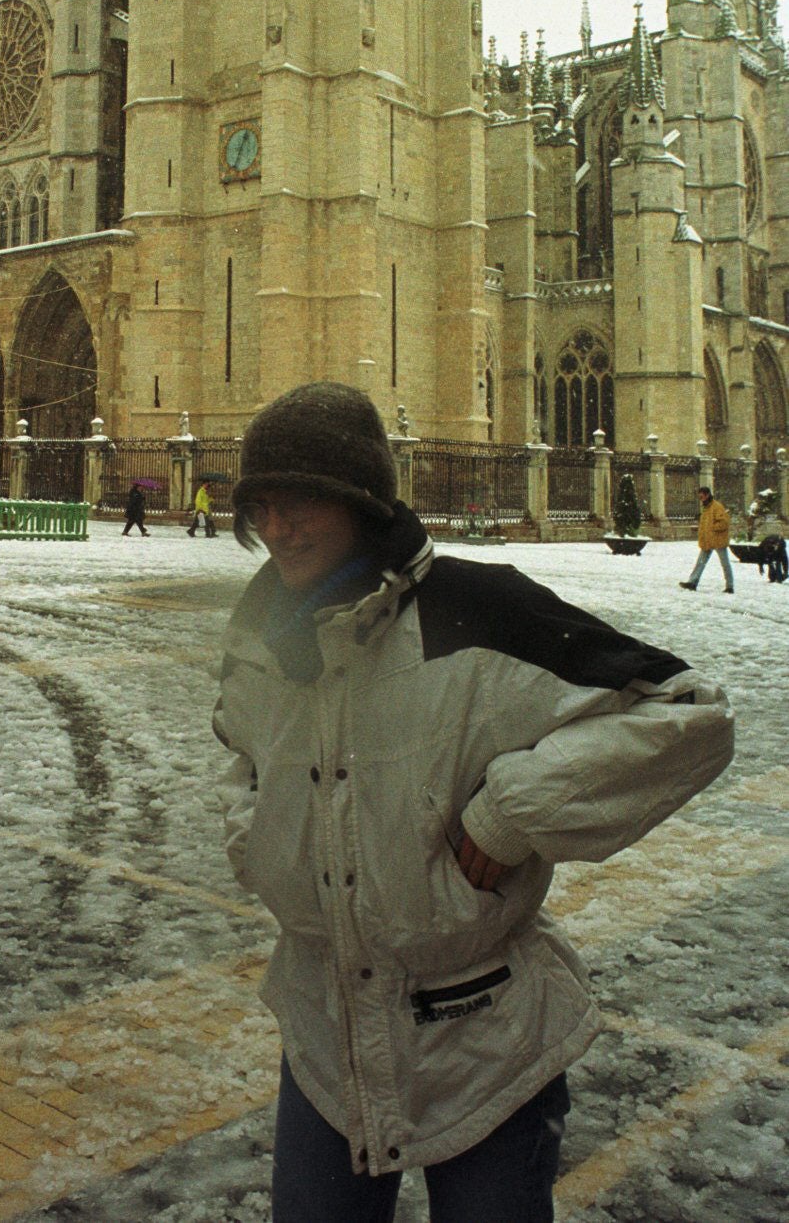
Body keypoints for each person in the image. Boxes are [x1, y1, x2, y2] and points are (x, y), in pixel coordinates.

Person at [214, 382, 734, 1223]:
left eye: (300, 501)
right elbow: (238, 748)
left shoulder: (474, 607)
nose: (275, 528)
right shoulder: (261, 626)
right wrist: (263, 843)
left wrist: (511, 814)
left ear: (361, 501)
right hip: (325, 1030)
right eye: (260, 505)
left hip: (483, 1041)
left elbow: (689, 714)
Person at [680, 486, 733, 593]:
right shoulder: (706, 508)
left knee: (725, 563)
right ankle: (692, 582)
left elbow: (724, 523)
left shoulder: (717, 507)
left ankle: (730, 586)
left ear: (707, 495)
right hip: (708, 540)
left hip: (718, 540)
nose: (701, 499)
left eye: (702, 496)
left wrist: (711, 529)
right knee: (700, 562)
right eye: (700, 497)